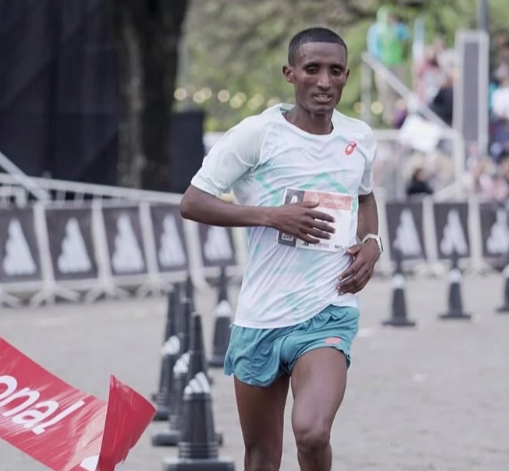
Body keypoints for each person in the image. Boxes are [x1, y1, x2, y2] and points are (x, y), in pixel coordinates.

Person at [180, 27, 381, 471]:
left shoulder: (359, 138)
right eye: (312, 69)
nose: (324, 82)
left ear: (346, 76)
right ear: (290, 74)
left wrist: (372, 242)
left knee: (312, 431)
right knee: (261, 456)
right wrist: (271, 216)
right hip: (261, 315)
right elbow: (192, 202)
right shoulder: (257, 134)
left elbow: (365, 198)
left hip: (328, 310)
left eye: (335, 71)